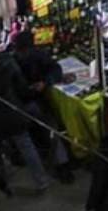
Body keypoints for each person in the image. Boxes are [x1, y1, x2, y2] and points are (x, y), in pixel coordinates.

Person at [0, 31, 50, 192]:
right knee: (26, 146)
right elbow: (22, 88)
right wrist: (33, 91)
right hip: (10, 111)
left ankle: (1, 184)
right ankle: (41, 181)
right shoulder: (8, 62)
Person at [11, 31, 75, 183]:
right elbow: (55, 69)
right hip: (30, 102)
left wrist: (44, 82)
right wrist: (44, 83)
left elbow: (55, 69)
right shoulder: (28, 57)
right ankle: (62, 165)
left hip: (26, 102)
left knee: (45, 131)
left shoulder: (16, 59)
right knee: (50, 129)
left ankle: (60, 165)